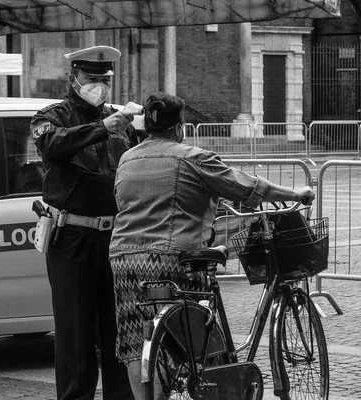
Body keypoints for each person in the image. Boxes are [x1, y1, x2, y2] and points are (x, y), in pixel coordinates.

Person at [108, 92, 316, 399]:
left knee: (133, 341)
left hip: (123, 259)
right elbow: (250, 187)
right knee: (200, 336)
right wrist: (297, 193)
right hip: (172, 257)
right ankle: (215, 374)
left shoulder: (128, 158)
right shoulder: (193, 157)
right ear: (179, 128)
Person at [30, 45, 138, 400]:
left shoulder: (120, 121)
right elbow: (52, 146)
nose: (100, 86)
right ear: (73, 77)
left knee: (119, 331)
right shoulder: (52, 116)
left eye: (105, 80)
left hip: (116, 238)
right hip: (71, 236)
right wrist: (100, 128)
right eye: (92, 79)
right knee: (74, 333)